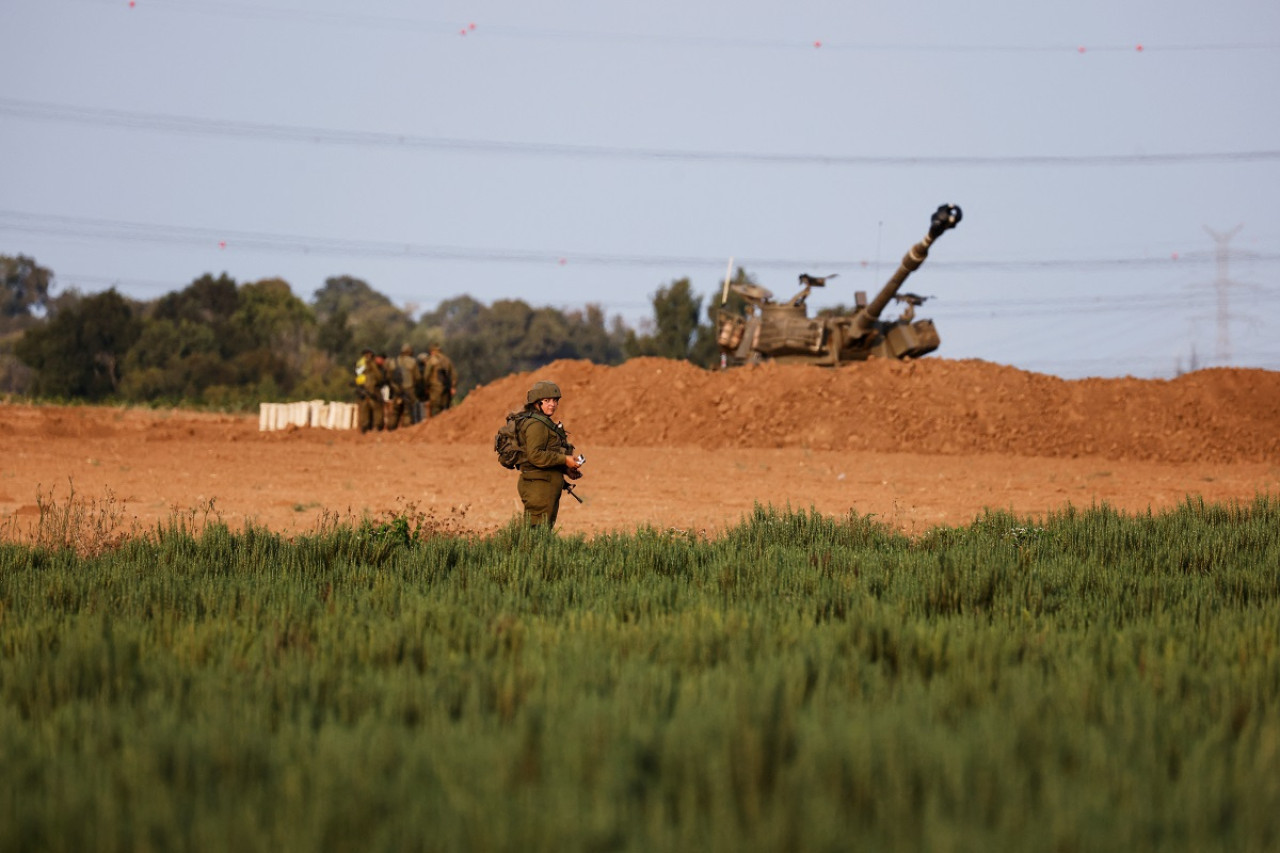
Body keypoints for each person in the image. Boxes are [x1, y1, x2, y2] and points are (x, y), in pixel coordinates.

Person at [516, 380, 583, 528]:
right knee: (536, 535)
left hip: (545, 485)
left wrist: (567, 469)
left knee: (541, 534)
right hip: (539, 487)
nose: (552, 404)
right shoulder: (536, 425)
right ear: (536, 402)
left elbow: (548, 454)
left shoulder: (544, 422)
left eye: (555, 400)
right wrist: (564, 459)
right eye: (546, 401)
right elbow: (535, 455)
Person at [354, 348, 387, 433]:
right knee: (376, 412)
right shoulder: (372, 366)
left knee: (366, 414)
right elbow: (379, 378)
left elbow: (358, 376)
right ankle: (372, 430)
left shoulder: (361, 364)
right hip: (371, 391)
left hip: (365, 391)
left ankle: (366, 430)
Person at [389, 343, 422, 428]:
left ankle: (391, 430)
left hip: (396, 391)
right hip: (409, 390)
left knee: (395, 412)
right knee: (407, 411)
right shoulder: (412, 362)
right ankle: (406, 431)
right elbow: (418, 378)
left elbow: (389, 377)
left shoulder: (393, 362)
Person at [422, 343, 457, 417]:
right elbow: (454, 374)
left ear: (432, 351)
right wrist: (453, 387)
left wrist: (426, 387)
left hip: (435, 388)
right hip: (447, 388)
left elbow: (426, 375)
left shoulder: (432, 360)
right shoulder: (447, 360)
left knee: (436, 408)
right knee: (446, 408)